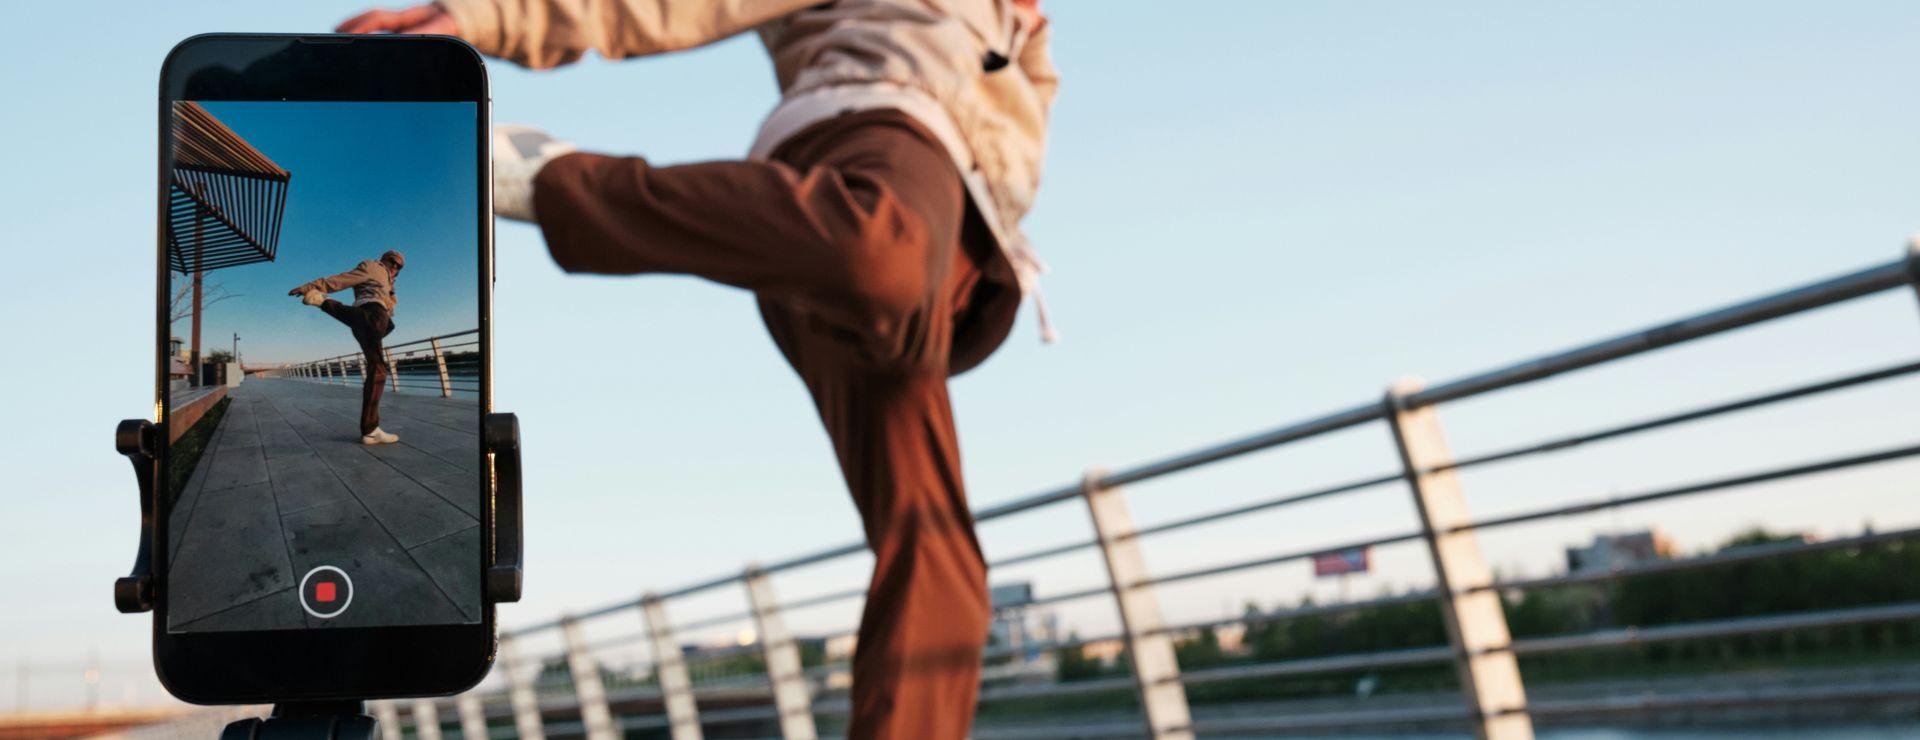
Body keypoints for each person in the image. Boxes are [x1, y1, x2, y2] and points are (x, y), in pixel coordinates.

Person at [339, 2, 1057, 736]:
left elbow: (1015, 146)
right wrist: (479, 19)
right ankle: (549, 178)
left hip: (940, 249)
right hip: (866, 150)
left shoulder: (1029, 36)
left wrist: (1025, 41)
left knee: (942, 563)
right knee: (880, 257)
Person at [290, 250, 406, 445]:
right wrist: (309, 286)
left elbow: (389, 307)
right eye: (393, 262)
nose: (395, 268)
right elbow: (341, 280)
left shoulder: (388, 283)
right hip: (370, 312)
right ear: (384, 259)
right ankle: (322, 301)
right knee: (378, 332)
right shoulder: (373, 267)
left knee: (378, 371)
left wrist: (391, 292)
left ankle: (370, 429)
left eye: (399, 267)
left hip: (369, 321)